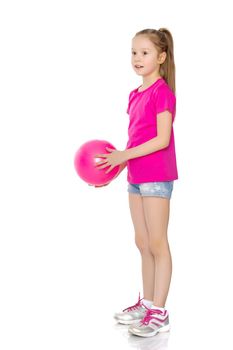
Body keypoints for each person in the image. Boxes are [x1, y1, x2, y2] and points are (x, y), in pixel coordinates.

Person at [94, 28, 178, 338]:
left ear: (161, 57)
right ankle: (147, 303)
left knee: (158, 243)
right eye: (133, 52)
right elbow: (135, 139)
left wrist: (124, 155)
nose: (137, 58)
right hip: (136, 177)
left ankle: (160, 312)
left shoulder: (161, 91)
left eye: (144, 52)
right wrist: (112, 169)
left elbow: (161, 139)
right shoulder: (135, 94)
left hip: (156, 176)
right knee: (142, 243)